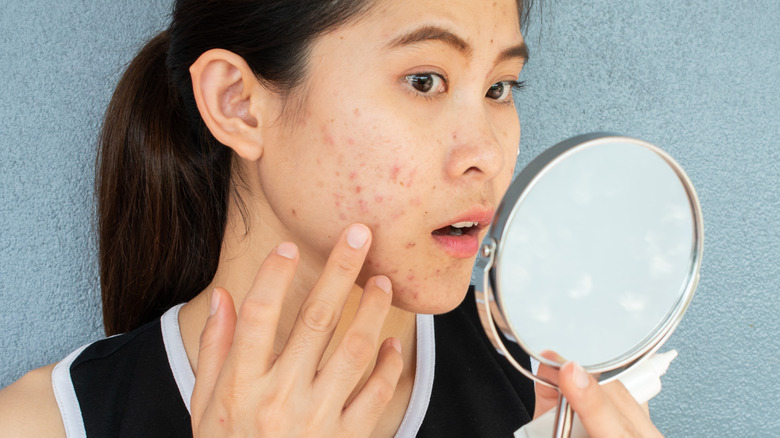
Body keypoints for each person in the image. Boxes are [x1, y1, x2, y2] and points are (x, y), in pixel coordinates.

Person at [0, 0, 664, 436]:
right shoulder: (48, 423)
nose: (486, 156)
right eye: (425, 80)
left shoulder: (549, 387)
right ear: (238, 103)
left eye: (499, 88)